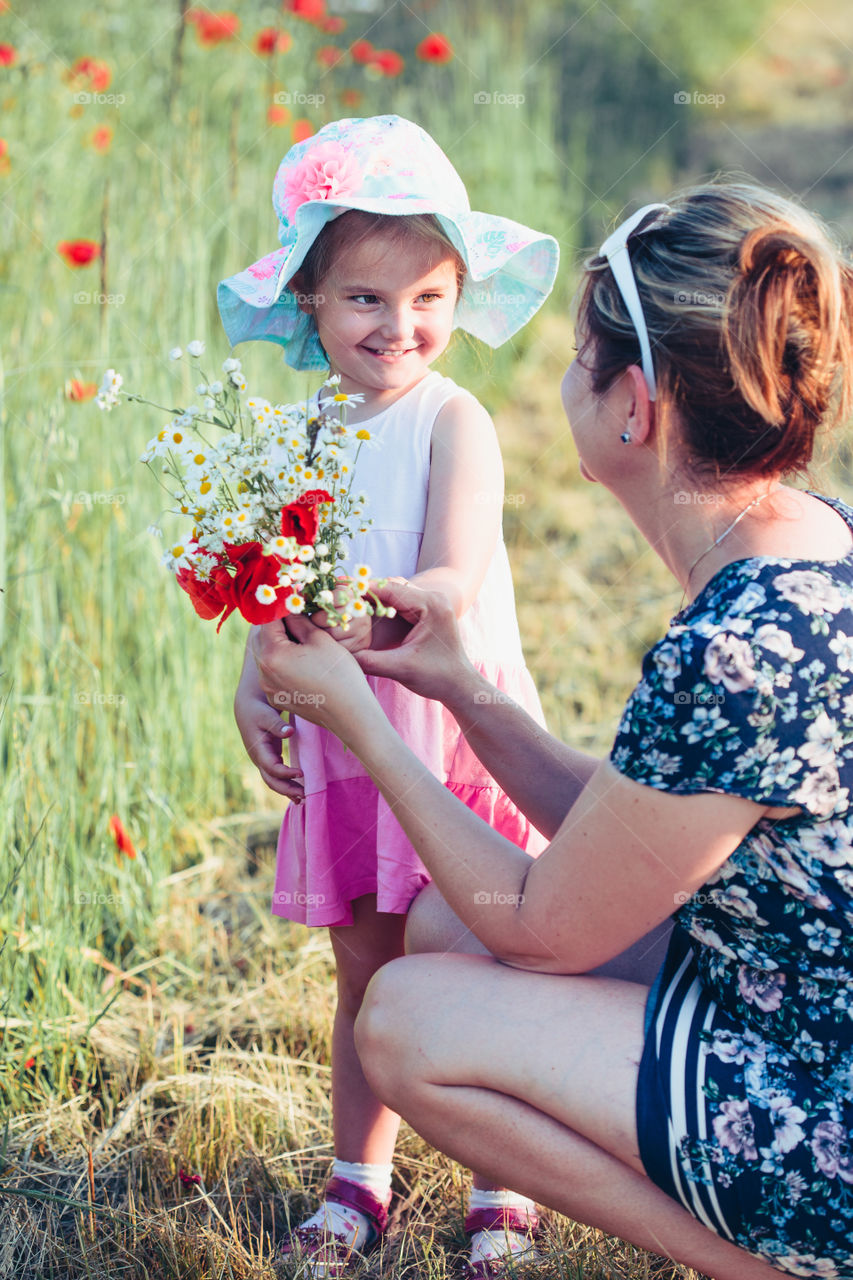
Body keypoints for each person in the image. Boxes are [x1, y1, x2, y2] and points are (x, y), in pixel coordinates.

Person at [248, 180, 853, 1280]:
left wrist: (365, 723)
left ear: (634, 406)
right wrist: (465, 690)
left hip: (821, 1095)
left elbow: (540, 927)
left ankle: (757, 1266)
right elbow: (641, 831)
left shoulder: (743, 644)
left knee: (406, 1017)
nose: (560, 377)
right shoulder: (810, 544)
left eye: (580, 356)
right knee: (439, 933)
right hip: (801, 986)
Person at [218, 115, 560, 1277]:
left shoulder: (452, 421)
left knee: (468, 960)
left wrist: (349, 631)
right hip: (349, 747)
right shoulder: (302, 430)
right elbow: (268, 584)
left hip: (446, 736)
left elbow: (448, 588)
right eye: (365, 298)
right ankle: (356, 1176)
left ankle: (501, 1181)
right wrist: (259, 678)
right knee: (364, 967)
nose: (398, 326)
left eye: (427, 296)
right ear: (309, 299)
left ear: (459, 292)